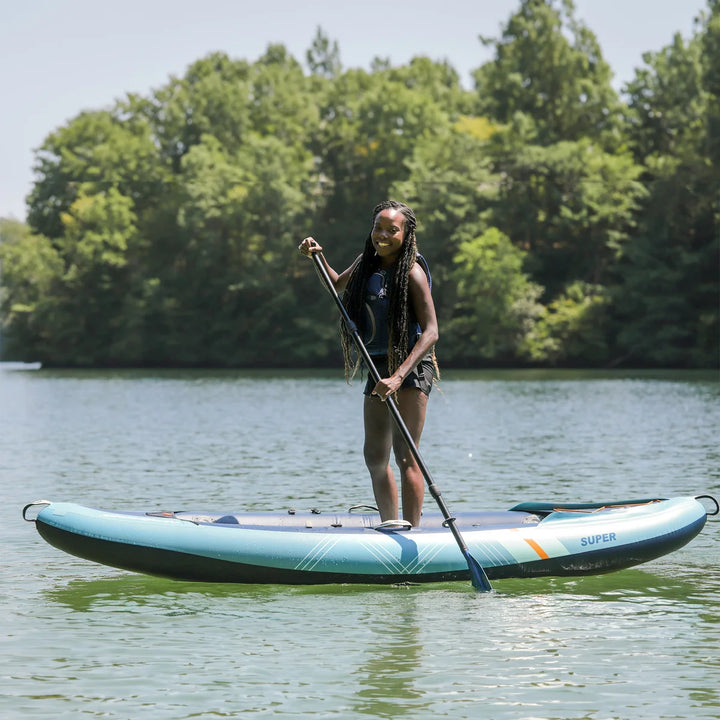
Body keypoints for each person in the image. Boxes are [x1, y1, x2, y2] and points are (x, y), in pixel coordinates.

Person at [298, 200, 439, 527]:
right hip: (377, 368)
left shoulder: (412, 273)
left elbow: (432, 332)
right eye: (379, 228)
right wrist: (317, 257)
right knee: (375, 456)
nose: (383, 235)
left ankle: (414, 534)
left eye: (393, 229)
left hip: (411, 368)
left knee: (407, 456)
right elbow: (336, 286)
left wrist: (398, 376)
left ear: (406, 234)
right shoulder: (366, 263)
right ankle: (391, 526)